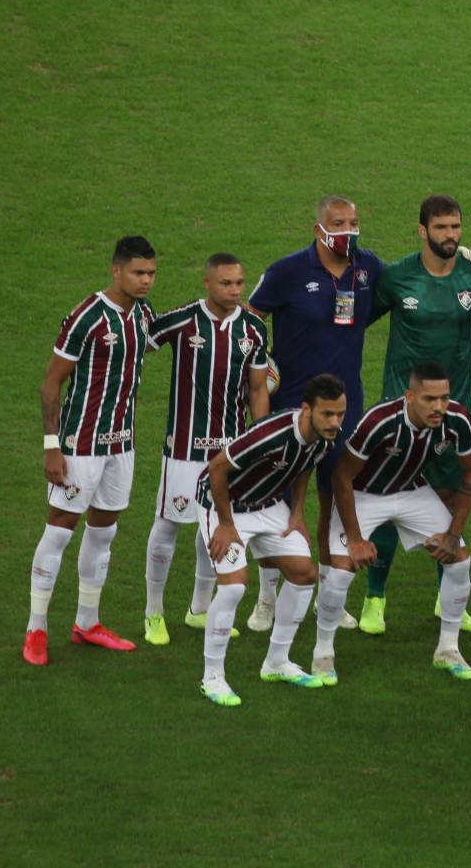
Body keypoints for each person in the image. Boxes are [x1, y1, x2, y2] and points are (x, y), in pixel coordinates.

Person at [355, 194, 471, 636]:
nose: (450, 236)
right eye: (441, 229)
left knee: (452, 500)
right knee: (389, 504)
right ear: (422, 231)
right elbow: (355, 321)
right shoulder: (397, 277)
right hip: (400, 414)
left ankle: (446, 597)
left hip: (454, 413)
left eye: (456, 227)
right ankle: (375, 598)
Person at [244, 195, 385, 633]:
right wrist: (262, 364)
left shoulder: (368, 268)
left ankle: (328, 596)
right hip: (293, 404)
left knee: (335, 495)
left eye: (354, 222)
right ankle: (268, 597)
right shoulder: (287, 271)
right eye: (339, 222)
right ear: (319, 227)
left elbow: (377, 306)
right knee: (280, 499)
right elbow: (250, 317)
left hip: (347, 405)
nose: (348, 230)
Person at [23, 236, 159, 666]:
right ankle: (36, 629)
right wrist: (52, 447)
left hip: (122, 445)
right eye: (138, 273)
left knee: (104, 533)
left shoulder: (143, 316)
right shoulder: (88, 316)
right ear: (115, 271)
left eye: (152, 273)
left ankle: (87, 622)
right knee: (60, 530)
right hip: (80, 444)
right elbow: (51, 382)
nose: (146, 281)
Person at [320, 362, 471, 685]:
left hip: (411, 491)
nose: (439, 407)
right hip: (363, 494)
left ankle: (448, 650)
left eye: (444, 398)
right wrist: (354, 538)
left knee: (461, 561)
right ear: (410, 396)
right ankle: (323, 654)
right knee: (341, 569)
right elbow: (342, 475)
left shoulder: (458, 420)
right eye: (429, 399)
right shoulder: (379, 421)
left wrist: (454, 534)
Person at [192, 375, 346, 705]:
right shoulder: (270, 434)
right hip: (221, 504)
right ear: (307, 410)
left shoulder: (323, 439)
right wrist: (226, 525)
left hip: (269, 504)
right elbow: (217, 468)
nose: (335, 422)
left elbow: (304, 466)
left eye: (340, 415)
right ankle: (212, 677)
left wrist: (298, 514)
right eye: (328, 414)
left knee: (304, 574)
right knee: (233, 586)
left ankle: (276, 662)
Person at [141, 252, 270, 646]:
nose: (234, 291)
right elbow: (140, 343)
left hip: (229, 452)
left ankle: (199, 610)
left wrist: (260, 439)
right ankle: (153, 613)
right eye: (226, 284)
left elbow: (258, 387)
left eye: (239, 283)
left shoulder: (252, 328)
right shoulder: (184, 320)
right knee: (168, 526)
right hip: (183, 448)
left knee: (212, 531)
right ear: (207, 283)